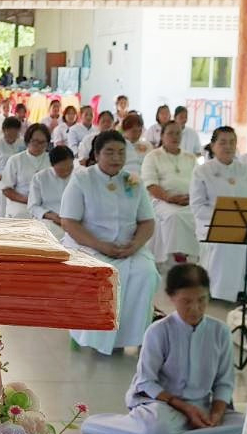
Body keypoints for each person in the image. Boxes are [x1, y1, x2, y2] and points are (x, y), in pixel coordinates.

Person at [81, 264, 243, 434]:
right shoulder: (158, 331)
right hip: (165, 406)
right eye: (186, 301)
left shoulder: (220, 331)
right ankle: (97, 425)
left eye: (202, 300)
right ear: (172, 298)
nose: (195, 308)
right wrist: (186, 409)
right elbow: (146, 382)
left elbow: (224, 383)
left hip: (203, 407)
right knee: (156, 431)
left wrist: (216, 415)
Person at [62, 130, 158, 355]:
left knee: (146, 273)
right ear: (96, 154)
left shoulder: (132, 181)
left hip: (127, 247)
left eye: (121, 153)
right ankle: (92, 336)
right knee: (105, 274)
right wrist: (101, 246)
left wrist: (135, 245)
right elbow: (69, 222)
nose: (116, 158)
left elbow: (147, 221)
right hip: (88, 245)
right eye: (109, 152)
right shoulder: (82, 179)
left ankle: (130, 337)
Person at [190, 127, 247, 302]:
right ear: (213, 145)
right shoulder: (202, 171)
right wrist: (225, 218)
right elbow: (198, 206)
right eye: (222, 142)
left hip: (245, 224)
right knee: (226, 243)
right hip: (213, 224)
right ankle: (220, 290)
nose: (228, 146)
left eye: (232, 142)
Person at [141, 121, 198, 265]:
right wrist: (169, 198)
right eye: (170, 133)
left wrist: (191, 198)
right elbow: (151, 184)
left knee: (202, 217)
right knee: (175, 216)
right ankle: (176, 255)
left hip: (189, 201)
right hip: (162, 200)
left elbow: (199, 183)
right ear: (162, 135)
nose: (175, 137)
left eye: (178, 133)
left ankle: (195, 255)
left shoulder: (190, 157)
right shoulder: (153, 156)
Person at [0, 123, 51, 219]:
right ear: (28, 141)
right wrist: (29, 200)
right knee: (21, 216)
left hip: (46, 204)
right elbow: (7, 190)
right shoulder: (15, 160)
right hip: (21, 202)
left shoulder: (51, 160)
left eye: (42, 142)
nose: (38, 145)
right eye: (35, 141)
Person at [27, 145, 74, 238]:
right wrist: (52, 216)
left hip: (75, 219)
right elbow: (33, 206)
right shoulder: (40, 178)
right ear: (52, 165)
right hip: (50, 219)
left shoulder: (80, 176)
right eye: (61, 170)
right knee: (53, 235)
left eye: (69, 168)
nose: (66, 172)